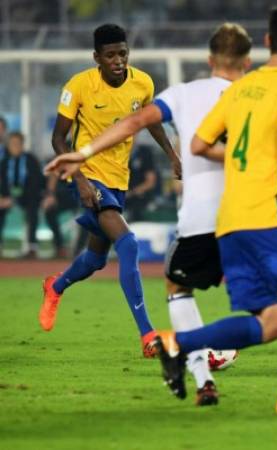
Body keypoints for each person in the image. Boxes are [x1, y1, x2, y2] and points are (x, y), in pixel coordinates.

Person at [46, 6, 277, 415]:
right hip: (266, 217)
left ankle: (182, 348)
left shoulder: (230, 92)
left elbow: (183, 140)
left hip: (225, 222)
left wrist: (82, 153)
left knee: (266, 318)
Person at [38, 23, 182, 358]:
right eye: (110, 55)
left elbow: (150, 121)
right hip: (88, 177)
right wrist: (80, 180)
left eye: (122, 53)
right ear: (97, 58)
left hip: (119, 179)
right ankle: (147, 335)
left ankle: (55, 286)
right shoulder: (79, 86)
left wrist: (172, 156)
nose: (118, 60)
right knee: (128, 243)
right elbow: (58, 138)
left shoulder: (142, 82)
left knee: (95, 260)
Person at [0, 132, 44, 258]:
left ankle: (32, 246)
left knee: (33, 209)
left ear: (22, 145)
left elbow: (36, 183)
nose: (15, 146)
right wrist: (4, 198)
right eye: (12, 144)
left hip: (28, 197)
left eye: (18, 144)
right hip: (8, 197)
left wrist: (15, 198)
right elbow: (3, 182)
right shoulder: (4, 161)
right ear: (8, 145)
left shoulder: (31, 159)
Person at [126, 144, 160, 222]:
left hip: (140, 199)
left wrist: (131, 193)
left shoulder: (144, 153)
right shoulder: (117, 153)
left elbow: (150, 182)